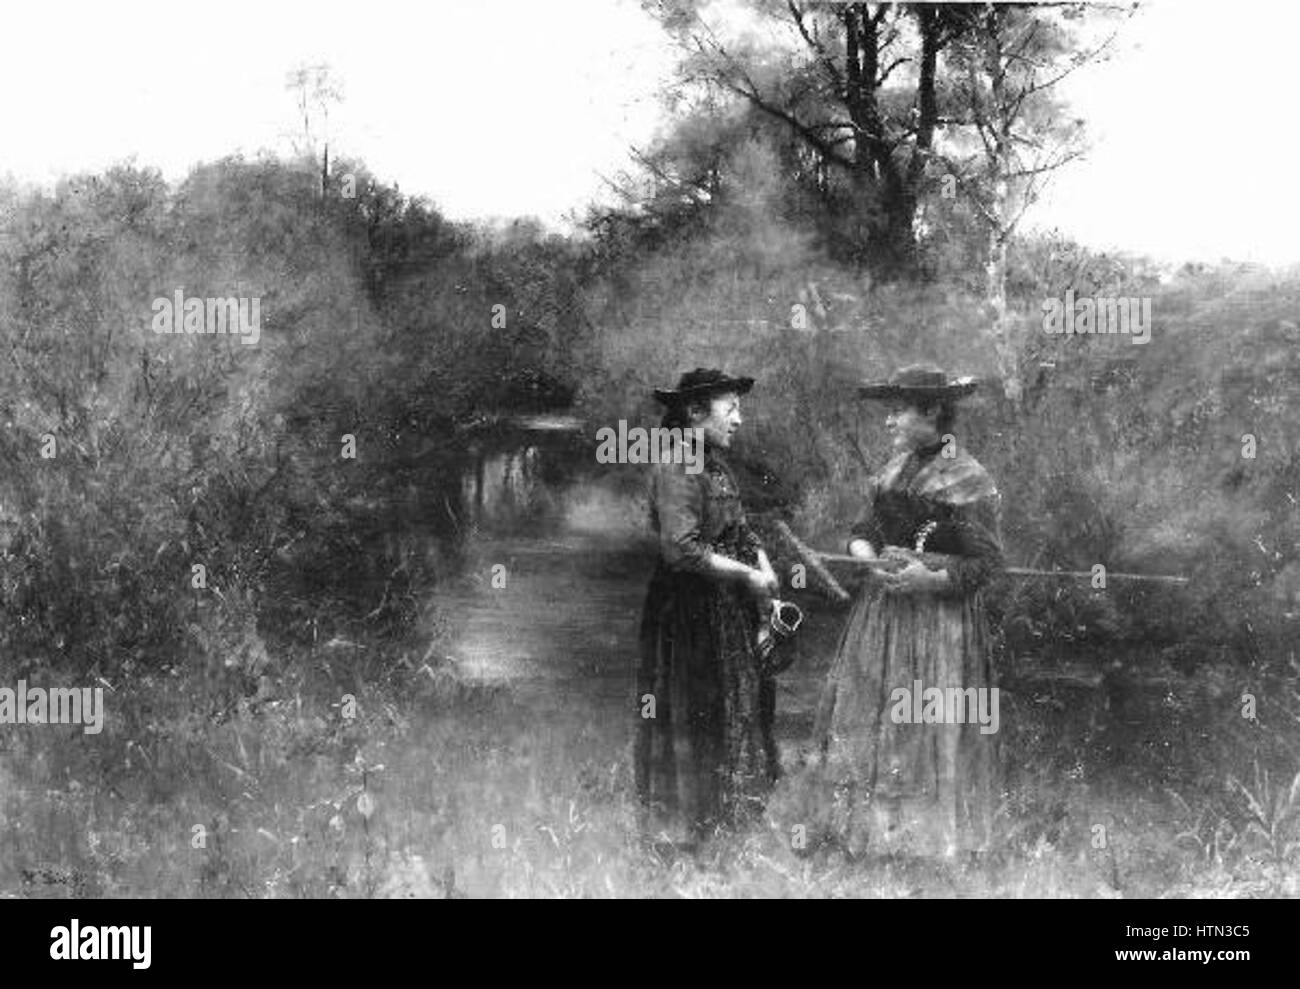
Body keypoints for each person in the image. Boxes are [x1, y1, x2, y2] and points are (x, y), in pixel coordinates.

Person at [813, 364, 1003, 861]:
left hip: (939, 623)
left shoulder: (969, 477)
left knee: (924, 722)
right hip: (883, 613)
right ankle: (875, 841)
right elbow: (864, 529)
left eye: (897, 412)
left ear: (932, 412)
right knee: (873, 716)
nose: (889, 422)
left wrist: (930, 579)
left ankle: (928, 847)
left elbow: (986, 563)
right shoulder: (893, 472)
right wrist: (864, 555)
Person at [635, 368, 781, 846]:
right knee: (692, 708)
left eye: (739, 408)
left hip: (724, 606)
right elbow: (683, 551)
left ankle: (728, 819)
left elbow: (739, 530)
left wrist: (762, 565)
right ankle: (685, 832)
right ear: (696, 413)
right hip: (688, 609)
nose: (739, 419)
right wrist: (749, 576)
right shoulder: (679, 465)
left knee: (735, 703)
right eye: (731, 409)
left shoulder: (714, 464)